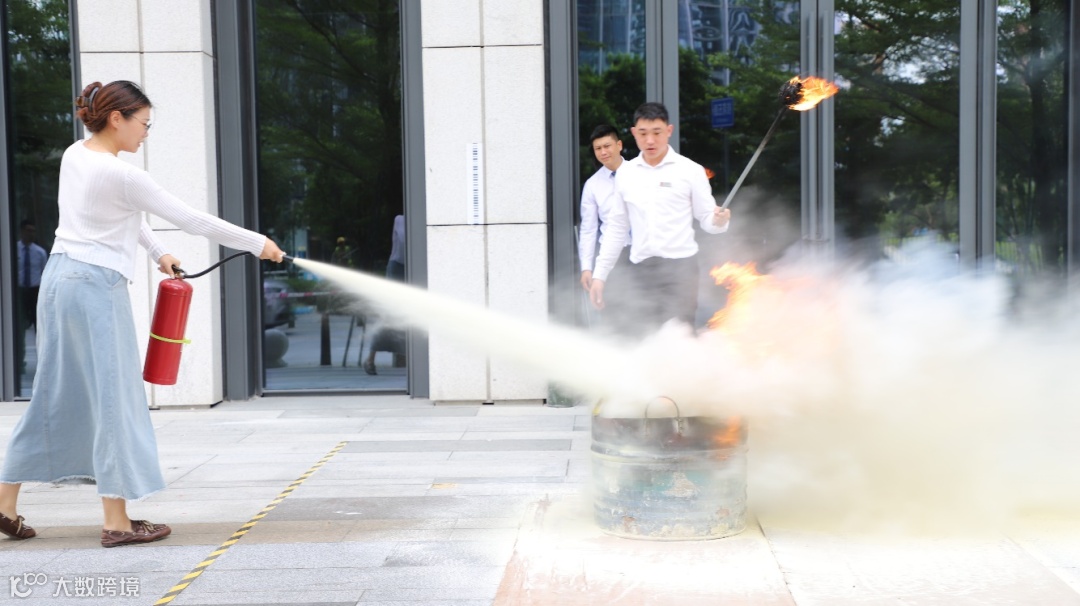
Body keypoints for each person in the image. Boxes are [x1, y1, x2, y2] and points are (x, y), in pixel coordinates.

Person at [0, 80, 286, 547]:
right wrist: (258, 244)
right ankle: (117, 522)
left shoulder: (76, 154)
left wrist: (157, 252)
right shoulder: (125, 175)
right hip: (94, 287)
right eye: (144, 123)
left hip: (59, 280)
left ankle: (4, 504)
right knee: (115, 397)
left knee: (53, 392)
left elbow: (120, 216)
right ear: (117, 118)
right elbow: (191, 219)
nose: (146, 133)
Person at [588, 102, 731, 334]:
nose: (650, 140)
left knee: (678, 338)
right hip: (642, 270)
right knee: (643, 338)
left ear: (669, 131)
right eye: (643, 133)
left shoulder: (690, 170)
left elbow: (707, 217)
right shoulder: (626, 174)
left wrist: (719, 221)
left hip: (681, 270)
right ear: (634, 133)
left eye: (657, 132)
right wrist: (599, 275)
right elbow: (616, 228)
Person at [577, 125, 634, 335]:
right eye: (598, 148)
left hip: (644, 252)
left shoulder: (640, 173)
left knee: (649, 307)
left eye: (607, 146)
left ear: (619, 145)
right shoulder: (592, 185)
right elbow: (588, 230)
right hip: (613, 256)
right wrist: (586, 267)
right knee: (616, 313)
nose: (603, 152)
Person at [364, 214, 406, 374]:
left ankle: (406, 357)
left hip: (410, 266)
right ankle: (370, 359)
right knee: (388, 315)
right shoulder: (400, 219)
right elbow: (403, 240)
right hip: (398, 268)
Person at [17, 220, 48, 330]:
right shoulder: (13, 250)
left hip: (35, 290)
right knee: (19, 320)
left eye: (33, 231)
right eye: (28, 230)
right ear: (22, 231)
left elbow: (44, 272)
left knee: (37, 320)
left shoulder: (40, 252)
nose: (31, 234)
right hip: (19, 290)